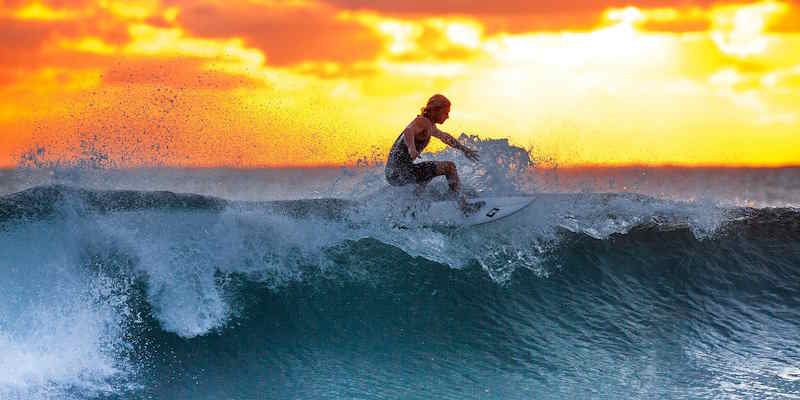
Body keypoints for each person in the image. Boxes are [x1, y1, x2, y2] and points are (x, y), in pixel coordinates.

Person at [385, 94, 484, 214]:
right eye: (445, 113)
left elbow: (445, 137)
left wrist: (464, 149)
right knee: (449, 167)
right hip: (401, 172)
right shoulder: (422, 122)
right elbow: (408, 131)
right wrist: (411, 148)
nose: (447, 116)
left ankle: (409, 212)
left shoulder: (429, 125)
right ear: (435, 110)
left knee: (426, 176)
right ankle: (463, 206)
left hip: (394, 174)